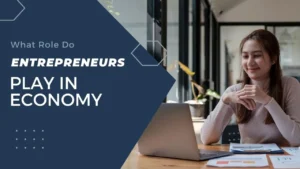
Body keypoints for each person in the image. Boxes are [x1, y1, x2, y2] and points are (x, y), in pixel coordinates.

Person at [200, 29, 300, 146]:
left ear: (273, 58)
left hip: (282, 161)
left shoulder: (289, 85)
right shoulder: (235, 91)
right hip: (249, 161)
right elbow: (206, 138)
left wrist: (267, 101)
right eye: (245, 56)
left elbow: (297, 139)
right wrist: (225, 100)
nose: (250, 62)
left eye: (257, 55)